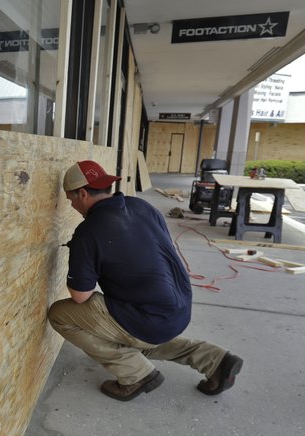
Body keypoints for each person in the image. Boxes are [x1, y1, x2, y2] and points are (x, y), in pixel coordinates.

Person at [48, 160, 243, 401]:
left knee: (60, 314)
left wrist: (80, 256)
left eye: (71, 199)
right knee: (135, 330)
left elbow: (80, 296)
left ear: (83, 194)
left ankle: (135, 373)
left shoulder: (88, 232)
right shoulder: (142, 206)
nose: (72, 205)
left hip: (148, 318)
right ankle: (214, 359)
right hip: (179, 308)